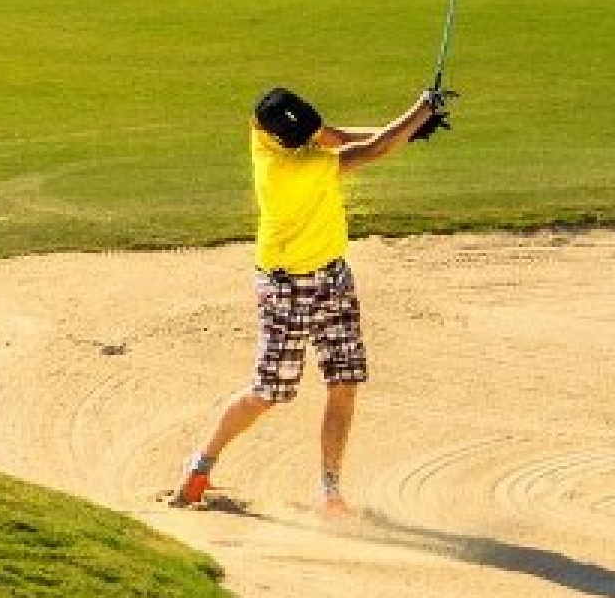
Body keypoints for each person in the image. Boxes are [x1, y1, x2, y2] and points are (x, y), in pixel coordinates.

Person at [169, 86, 449, 517]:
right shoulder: (291, 170)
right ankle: (201, 464)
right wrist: (418, 113)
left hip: (333, 277)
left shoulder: (263, 130)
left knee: (345, 381)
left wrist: (413, 127)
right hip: (287, 289)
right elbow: (369, 151)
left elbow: (336, 135)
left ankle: (329, 490)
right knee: (268, 394)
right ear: (277, 138)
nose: (311, 140)